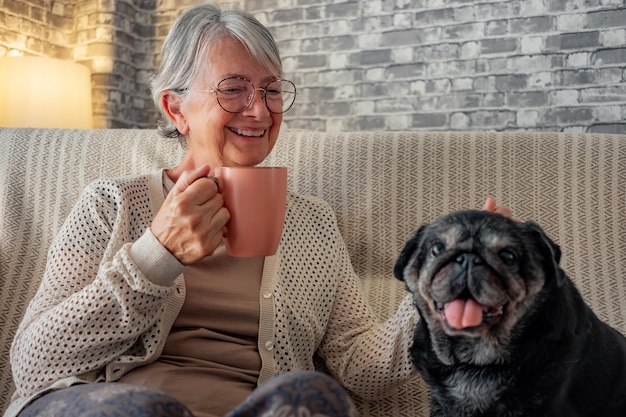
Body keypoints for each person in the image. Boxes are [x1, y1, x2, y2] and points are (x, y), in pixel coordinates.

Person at [5, 3, 511, 417]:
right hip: (111, 405)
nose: (260, 110)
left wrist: (436, 290)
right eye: (234, 89)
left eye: (271, 91)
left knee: (315, 399)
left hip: (255, 409)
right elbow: (34, 362)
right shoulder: (111, 204)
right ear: (175, 108)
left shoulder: (311, 223)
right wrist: (154, 256)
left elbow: (361, 367)